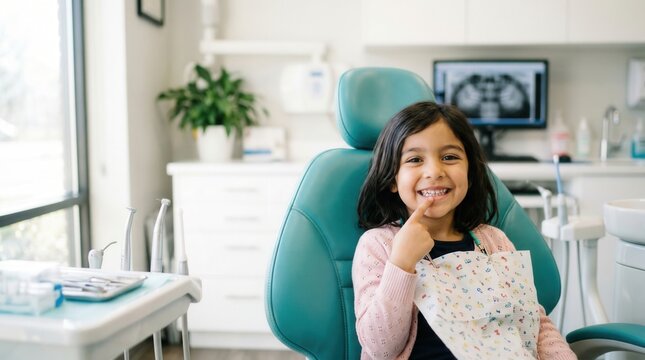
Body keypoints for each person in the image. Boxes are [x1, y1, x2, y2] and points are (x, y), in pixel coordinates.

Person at [352, 101, 576, 360]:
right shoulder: (379, 245)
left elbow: (534, 325)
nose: (434, 171)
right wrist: (401, 263)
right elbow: (380, 348)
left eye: (449, 157)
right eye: (415, 159)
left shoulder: (494, 241)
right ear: (392, 178)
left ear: (469, 172)